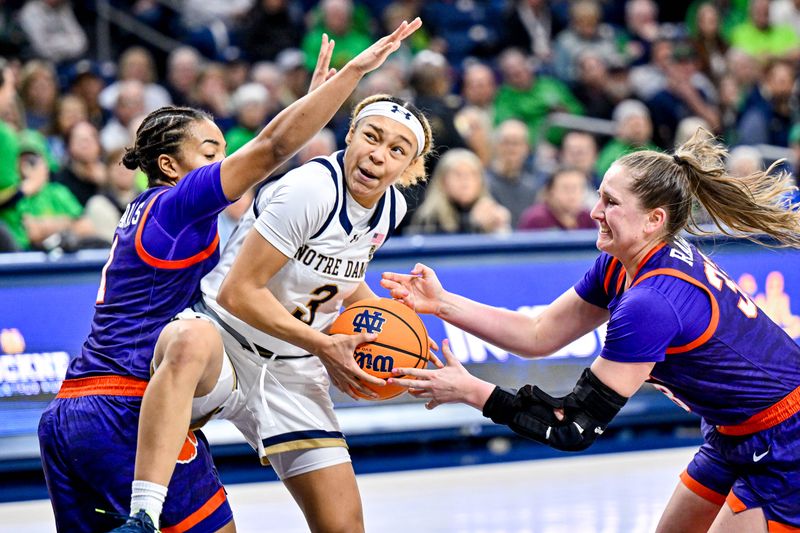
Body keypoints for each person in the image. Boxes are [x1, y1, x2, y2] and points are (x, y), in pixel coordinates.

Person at [36, 20, 422, 533]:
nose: (226, 163)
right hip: (136, 394)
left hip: (75, 408)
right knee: (193, 335)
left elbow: (334, 269)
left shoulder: (158, 212)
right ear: (171, 166)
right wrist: (349, 77)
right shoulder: (179, 204)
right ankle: (145, 515)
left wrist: (382, 325)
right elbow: (270, 148)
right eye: (214, 153)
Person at [382, 128, 800, 532]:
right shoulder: (625, 259)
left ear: (654, 219)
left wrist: (468, 390)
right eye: (599, 196)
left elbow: (570, 426)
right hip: (734, 429)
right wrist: (442, 304)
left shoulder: (650, 303)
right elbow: (538, 333)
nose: (594, 211)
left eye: (610, 202)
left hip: (786, 441)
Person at [129, 92, 434, 533]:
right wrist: (326, 346)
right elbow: (239, 293)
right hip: (225, 342)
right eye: (372, 136)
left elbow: (341, 283)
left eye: (396, 150)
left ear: (407, 166)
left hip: (291, 368)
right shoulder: (310, 189)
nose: (378, 155)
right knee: (188, 339)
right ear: (350, 135)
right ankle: (143, 513)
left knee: (344, 526)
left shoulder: (392, 208)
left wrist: (409, 357)